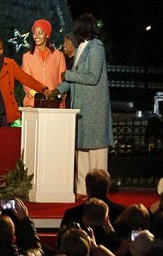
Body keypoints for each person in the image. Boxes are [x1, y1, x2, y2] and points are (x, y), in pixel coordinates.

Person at [50, 14, 113, 194]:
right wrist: (57, 90)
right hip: (81, 107)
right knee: (82, 150)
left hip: (94, 108)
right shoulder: (82, 47)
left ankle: (99, 191)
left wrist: (68, 75)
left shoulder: (96, 47)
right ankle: (82, 190)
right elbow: (73, 77)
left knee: (96, 153)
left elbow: (92, 78)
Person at [0, 35, 50, 127]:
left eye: (1, 49)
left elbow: (25, 78)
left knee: (6, 135)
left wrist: (42, 88)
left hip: (5, 112)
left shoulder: (10, 64)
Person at [21, 19, 66, 108]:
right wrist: (36, 95)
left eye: (40, 33)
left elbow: (63, 81)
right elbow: (26, 82)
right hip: (33, 104)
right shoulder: (27, 57)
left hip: (55, 105)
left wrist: (58, 94)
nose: (36, 36)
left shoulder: (58, 55)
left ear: (47, 35)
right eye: (34, 33)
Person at [60, 170, 125, 228]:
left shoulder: (72, 214)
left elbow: (62, 236)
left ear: (87, 188)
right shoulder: (122, 213)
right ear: (108, 188)